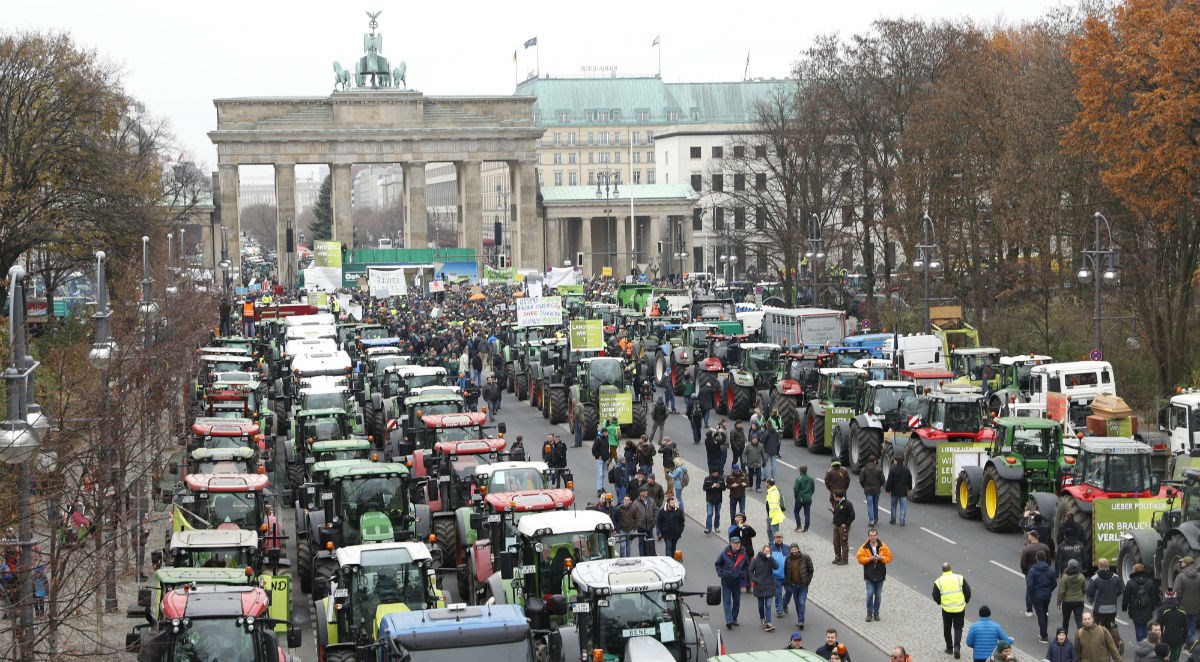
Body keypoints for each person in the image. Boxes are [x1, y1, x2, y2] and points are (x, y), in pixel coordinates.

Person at [934, 561, 973, 659]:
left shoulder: (939, 581)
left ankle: (949, 648)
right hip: (959, 608)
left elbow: (935, 595)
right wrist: (966, 600)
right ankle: (957, 647)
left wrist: (940, 602)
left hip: (946, 609)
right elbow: (968, 591)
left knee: (947, 628)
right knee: (958, 628)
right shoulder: (959, 578)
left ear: (942, 570)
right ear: (951, 569)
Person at [1087, 557, 1124, 652]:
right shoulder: (1115, 577)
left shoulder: (1095, 578)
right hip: (1112, 608)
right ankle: (1118, 642)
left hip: (1099, 608)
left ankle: (1096, 645)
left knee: (1095, 627)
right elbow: (1121, 590)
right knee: (1111, 626)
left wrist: (1091, 600)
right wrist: (1114, 597)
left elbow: (1089, 592)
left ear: (1099, 566)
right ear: (1108, 566)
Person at [855, 527, 892, 622]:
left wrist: (881, 558)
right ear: (868, 536)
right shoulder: (864, 547)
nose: (873, 537)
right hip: (869, 575)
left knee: (878, 595)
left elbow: (889, 557)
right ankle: (869, 613)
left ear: (877, 535)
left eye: (874, 535)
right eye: (871, 536)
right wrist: (869, 559)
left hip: (880, 575)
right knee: (870, 593)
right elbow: (859, 558)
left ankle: (876, 613)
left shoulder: (883, 546)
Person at [715, 536, 750, 629]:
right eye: (736, 543)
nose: (738, 545)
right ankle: (729, 621)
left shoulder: (743, 554)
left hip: (737, 581)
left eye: (739, 543)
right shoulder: (724, 553)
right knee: (727, 601)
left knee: (737, 601)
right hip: (726, 581)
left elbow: (747, 566)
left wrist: (742, 574)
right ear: (731, 544)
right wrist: (721, 574)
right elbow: (718, 564)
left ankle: (734, 619)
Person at [1125, 563, 1160, 642]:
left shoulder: (1130, 583)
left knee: (1138, 627)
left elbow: (1126, 596)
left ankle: (1140, 644)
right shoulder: (1149, 582)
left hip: (1135, 608)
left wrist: (1124, 607)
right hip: (1147, 607)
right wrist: (1152, 607)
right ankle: (1145, 641)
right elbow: (1152, 596)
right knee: (1144, 625)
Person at [1029, 549, 1059, 642]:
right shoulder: (1050, 570)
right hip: (1047, 595)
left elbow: (1030, 585)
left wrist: (1032, 595)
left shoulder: (1033, 570)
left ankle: (1044, 635)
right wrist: (1049, 591)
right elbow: (1054, 583)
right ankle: (1043, 631)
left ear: (1036, 558)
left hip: (1037, 596)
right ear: (1045, 558)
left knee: (1040, 615)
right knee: (1045, 613)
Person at [783, 543, 814, 630]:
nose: (794, 551)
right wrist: (788, 582)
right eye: (792, 549)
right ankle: (800, 619)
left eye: (795, 549)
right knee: (797, 604)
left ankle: (801, 621)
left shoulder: (805, 557)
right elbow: (786, 571)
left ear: (798, 549)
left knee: (801, 602)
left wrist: (808, 581)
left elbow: (811, 570)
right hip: (793, 585)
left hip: (803, 585)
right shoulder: (788, 559)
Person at [1022, 530, 1052, 617]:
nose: (1028, 537)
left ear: (1032, 537)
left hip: (1030, 572)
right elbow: (1049, 561)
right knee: (1044, 590)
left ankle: (1029, 610)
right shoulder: (1045, 547)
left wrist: (1026, 572)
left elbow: (1023, 563)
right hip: (1044, 573)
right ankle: (1045, 610)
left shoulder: (1027, 548)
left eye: (1029, 535)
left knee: (1030, 590)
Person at [750, 545, 779, 631]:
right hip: (759, 586)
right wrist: (755, 580)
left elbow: (776, 567)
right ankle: (762, 618)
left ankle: (768, 622)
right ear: (762, 551)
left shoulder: (770, 560)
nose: (767, 552)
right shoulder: (756, 560)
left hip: (769, 585)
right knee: (761, 605)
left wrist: (771, 558)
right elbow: (750, 571)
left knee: (768, 604)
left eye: (768, 551)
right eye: (765, 551)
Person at [1172, 555, 1200, 646]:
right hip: (1195, 606)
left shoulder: (1181, 576)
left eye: (1182, 562)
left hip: (1182, 606)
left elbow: (1175, 592)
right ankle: (1190, 642)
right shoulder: (1199, 576)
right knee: (1191, 624)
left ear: (1186, 564)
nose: (1181, 563)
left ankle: (1189, 641)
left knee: (1181, 625)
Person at [1059, 558, 1088, 633]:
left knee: (1066, 620)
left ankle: (1064, 636)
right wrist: (1080, 595)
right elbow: (1084, 588)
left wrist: (1059, 602)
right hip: (1079, 601)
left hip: (1067, 602)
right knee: (1079, 620)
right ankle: (1081, 636)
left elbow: (1061, 591)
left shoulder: (1065, 577)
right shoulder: (1081, 576)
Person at [1159, 590, 1189, 662]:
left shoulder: (1163, 610)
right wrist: (1184, 640)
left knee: (1164, 658)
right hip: (1178, 640)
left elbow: (1159, 625)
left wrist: (1161, 637)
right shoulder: (1182, 610)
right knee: (1175, 658)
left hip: (1166, 638)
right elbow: (1186, 628)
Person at [858, 455, 885, 527]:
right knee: (875, 504)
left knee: (869, 505)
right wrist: (879, 485)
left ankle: (871, 521)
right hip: (876, 490)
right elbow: (882, 480)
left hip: (868, 490)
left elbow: (861, 480)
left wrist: (864, 486)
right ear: (875, 461)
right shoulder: (878, 469)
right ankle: (876, 518)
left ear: (868, 461)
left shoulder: (864, 469)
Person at [885, 455, 911, 526]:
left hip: (894, 491)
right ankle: (902, 520)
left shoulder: (892, 470)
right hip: (903, 491)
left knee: (893, 506)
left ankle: (893, 520)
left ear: (896, 461)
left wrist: (888, 490)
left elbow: (889, 480)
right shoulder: (906, 470)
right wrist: (909, 488)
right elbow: (910, 479)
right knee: (903, 506)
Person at [631, 486, 658, 556]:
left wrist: (654, 521)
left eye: (647, 491)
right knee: (641, 542)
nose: (647, 492)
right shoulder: (635, 503)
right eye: (645, 491)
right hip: (641, 526)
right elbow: (632, 515)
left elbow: (656, 510)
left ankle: (651, 555)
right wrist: (636, 524)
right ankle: (642, 556)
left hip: (650, 525)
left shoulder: (651, 500)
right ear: (641, 493)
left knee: (651, 541)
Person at [831, 492, 854, 565]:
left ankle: (845, 560)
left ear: (837, 496)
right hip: (836, 525)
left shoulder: (847, 504)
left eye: (834, 496)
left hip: (843, 527)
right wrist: (834, 511)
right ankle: (838, 557)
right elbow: (839, 513)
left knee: (843, 542)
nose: (833, 497)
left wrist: (846, 524)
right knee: (836, 542)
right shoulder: (839, 503)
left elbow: (852, 515)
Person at [770, 532, 788, 618]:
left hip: (787, 576)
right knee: (778, 594)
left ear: (783, 538)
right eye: (777, 537)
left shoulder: (787, 548)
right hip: (776, 576)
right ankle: (779, 610)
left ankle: (784, 604)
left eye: (780, 537)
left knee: (789, 591)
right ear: (774, 538)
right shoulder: (770, 549)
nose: (779, 539)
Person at [702, 470, 726, 534]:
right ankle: (708, 528)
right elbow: (704, 488)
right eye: (714, 473)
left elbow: (724, 488)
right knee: (709, 514)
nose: (715, 474)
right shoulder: (707, 479)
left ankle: (716, 527)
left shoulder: (721, 479)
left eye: (716, 473)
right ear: (712, 473)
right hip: (710, 499)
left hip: (718, 499)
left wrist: (719, 486)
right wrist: (712, 487)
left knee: (717, 514)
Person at [793, 464, 815, 532]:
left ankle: (799, 525)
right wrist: (809, 495)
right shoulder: (811, 479)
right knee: (807, 513)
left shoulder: (798, 479)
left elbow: (796, 489)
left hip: (800, 498)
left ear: (800, 470)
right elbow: (813, 488)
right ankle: (806, 528)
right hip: (808, 498)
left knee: (796, 511)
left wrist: (796, 496)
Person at [591, 427, 609, 496]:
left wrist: (607, 456)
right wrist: (598, 456)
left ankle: (602, 487)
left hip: (605, 458)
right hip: (599, 459)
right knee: (600, 474)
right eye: (606, 432)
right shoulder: (598, 439)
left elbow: (607, 448)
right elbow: (594, 449)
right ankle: (599, 489)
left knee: (603, 474)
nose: (607, 434)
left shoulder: (606, 438)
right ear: (603, 432)